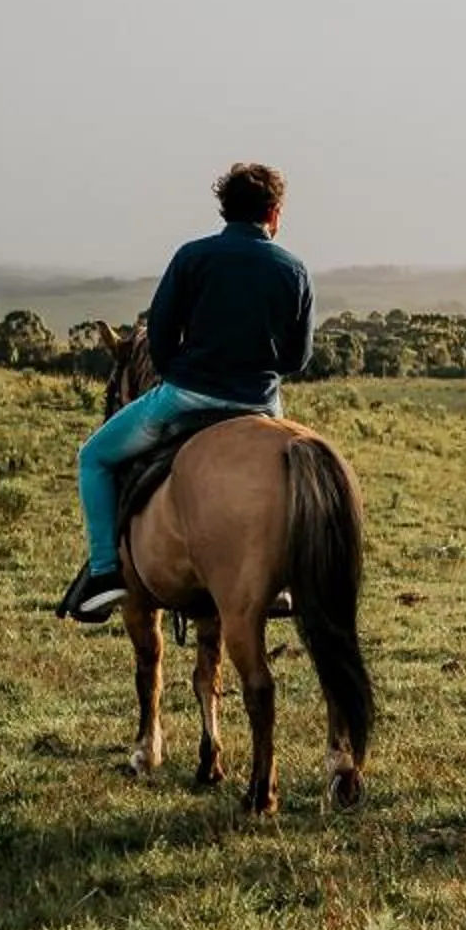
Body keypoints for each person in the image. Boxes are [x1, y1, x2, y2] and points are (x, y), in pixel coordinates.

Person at [56, 163, 315, 622]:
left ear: (224, 210)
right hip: (261, 406)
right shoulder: (293, 270)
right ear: (274, 214)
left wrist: (183, 371)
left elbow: (158, 335)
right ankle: (288, 576)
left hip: (186, 396)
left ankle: (103, 574)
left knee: (93, 458)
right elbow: (296, 359)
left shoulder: (192, 257)